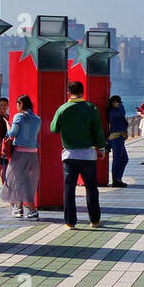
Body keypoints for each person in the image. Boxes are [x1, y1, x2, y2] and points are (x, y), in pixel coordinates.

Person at [50, 80, 107, 229]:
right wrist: (101, 149)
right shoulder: (91, 108)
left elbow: (54, 128)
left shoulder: (62, 109)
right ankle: (94, 220)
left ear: (68, 93)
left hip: (69, 156)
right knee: (91, 188)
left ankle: (70, 222)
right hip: (88, 155)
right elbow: (98, 131)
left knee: (69, 189)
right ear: (83, 92)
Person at [2, 94, 41, 218]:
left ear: (20, 104)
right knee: (21, 180)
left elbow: (12, 133)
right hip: (33, 153)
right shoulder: (37, 119)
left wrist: (8, 125)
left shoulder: (19, 117)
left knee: (20, 180)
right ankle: (18, 207)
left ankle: (32, 209)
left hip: (20, 153)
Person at [106, 95, 130, 187]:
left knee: (124, 159)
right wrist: (120, 106)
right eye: (118, 102)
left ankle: (118, 178)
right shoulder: (112, 112)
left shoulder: (115, 111)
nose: (120, 104)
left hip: (120, 137)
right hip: (116, 138)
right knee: (118, 159)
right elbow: (122, 113)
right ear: (113, 103)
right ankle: (116, 180)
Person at [0, 96, 11, 188]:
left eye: (5, 105)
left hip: (5, 146)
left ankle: (4, 187)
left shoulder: (9, 117)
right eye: (1, 105)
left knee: (4, 167)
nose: (3, 107)